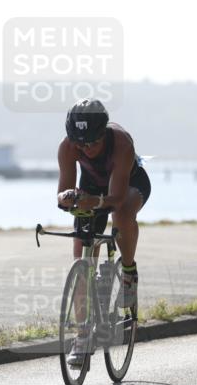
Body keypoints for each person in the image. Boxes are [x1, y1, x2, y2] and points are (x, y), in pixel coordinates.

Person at [56, 99, 151, 367]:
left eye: (93, 143)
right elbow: (63, 193)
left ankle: (129, 272)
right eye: (81, 145)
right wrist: (67, 198)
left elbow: (117, 199)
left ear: (103, 134)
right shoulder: (67, 147)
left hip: (128, 185)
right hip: (92, 187)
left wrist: (95, 202)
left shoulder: (121, 143)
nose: (86, 149)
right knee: (81, 262)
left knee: (120, 215)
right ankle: (82, 336)